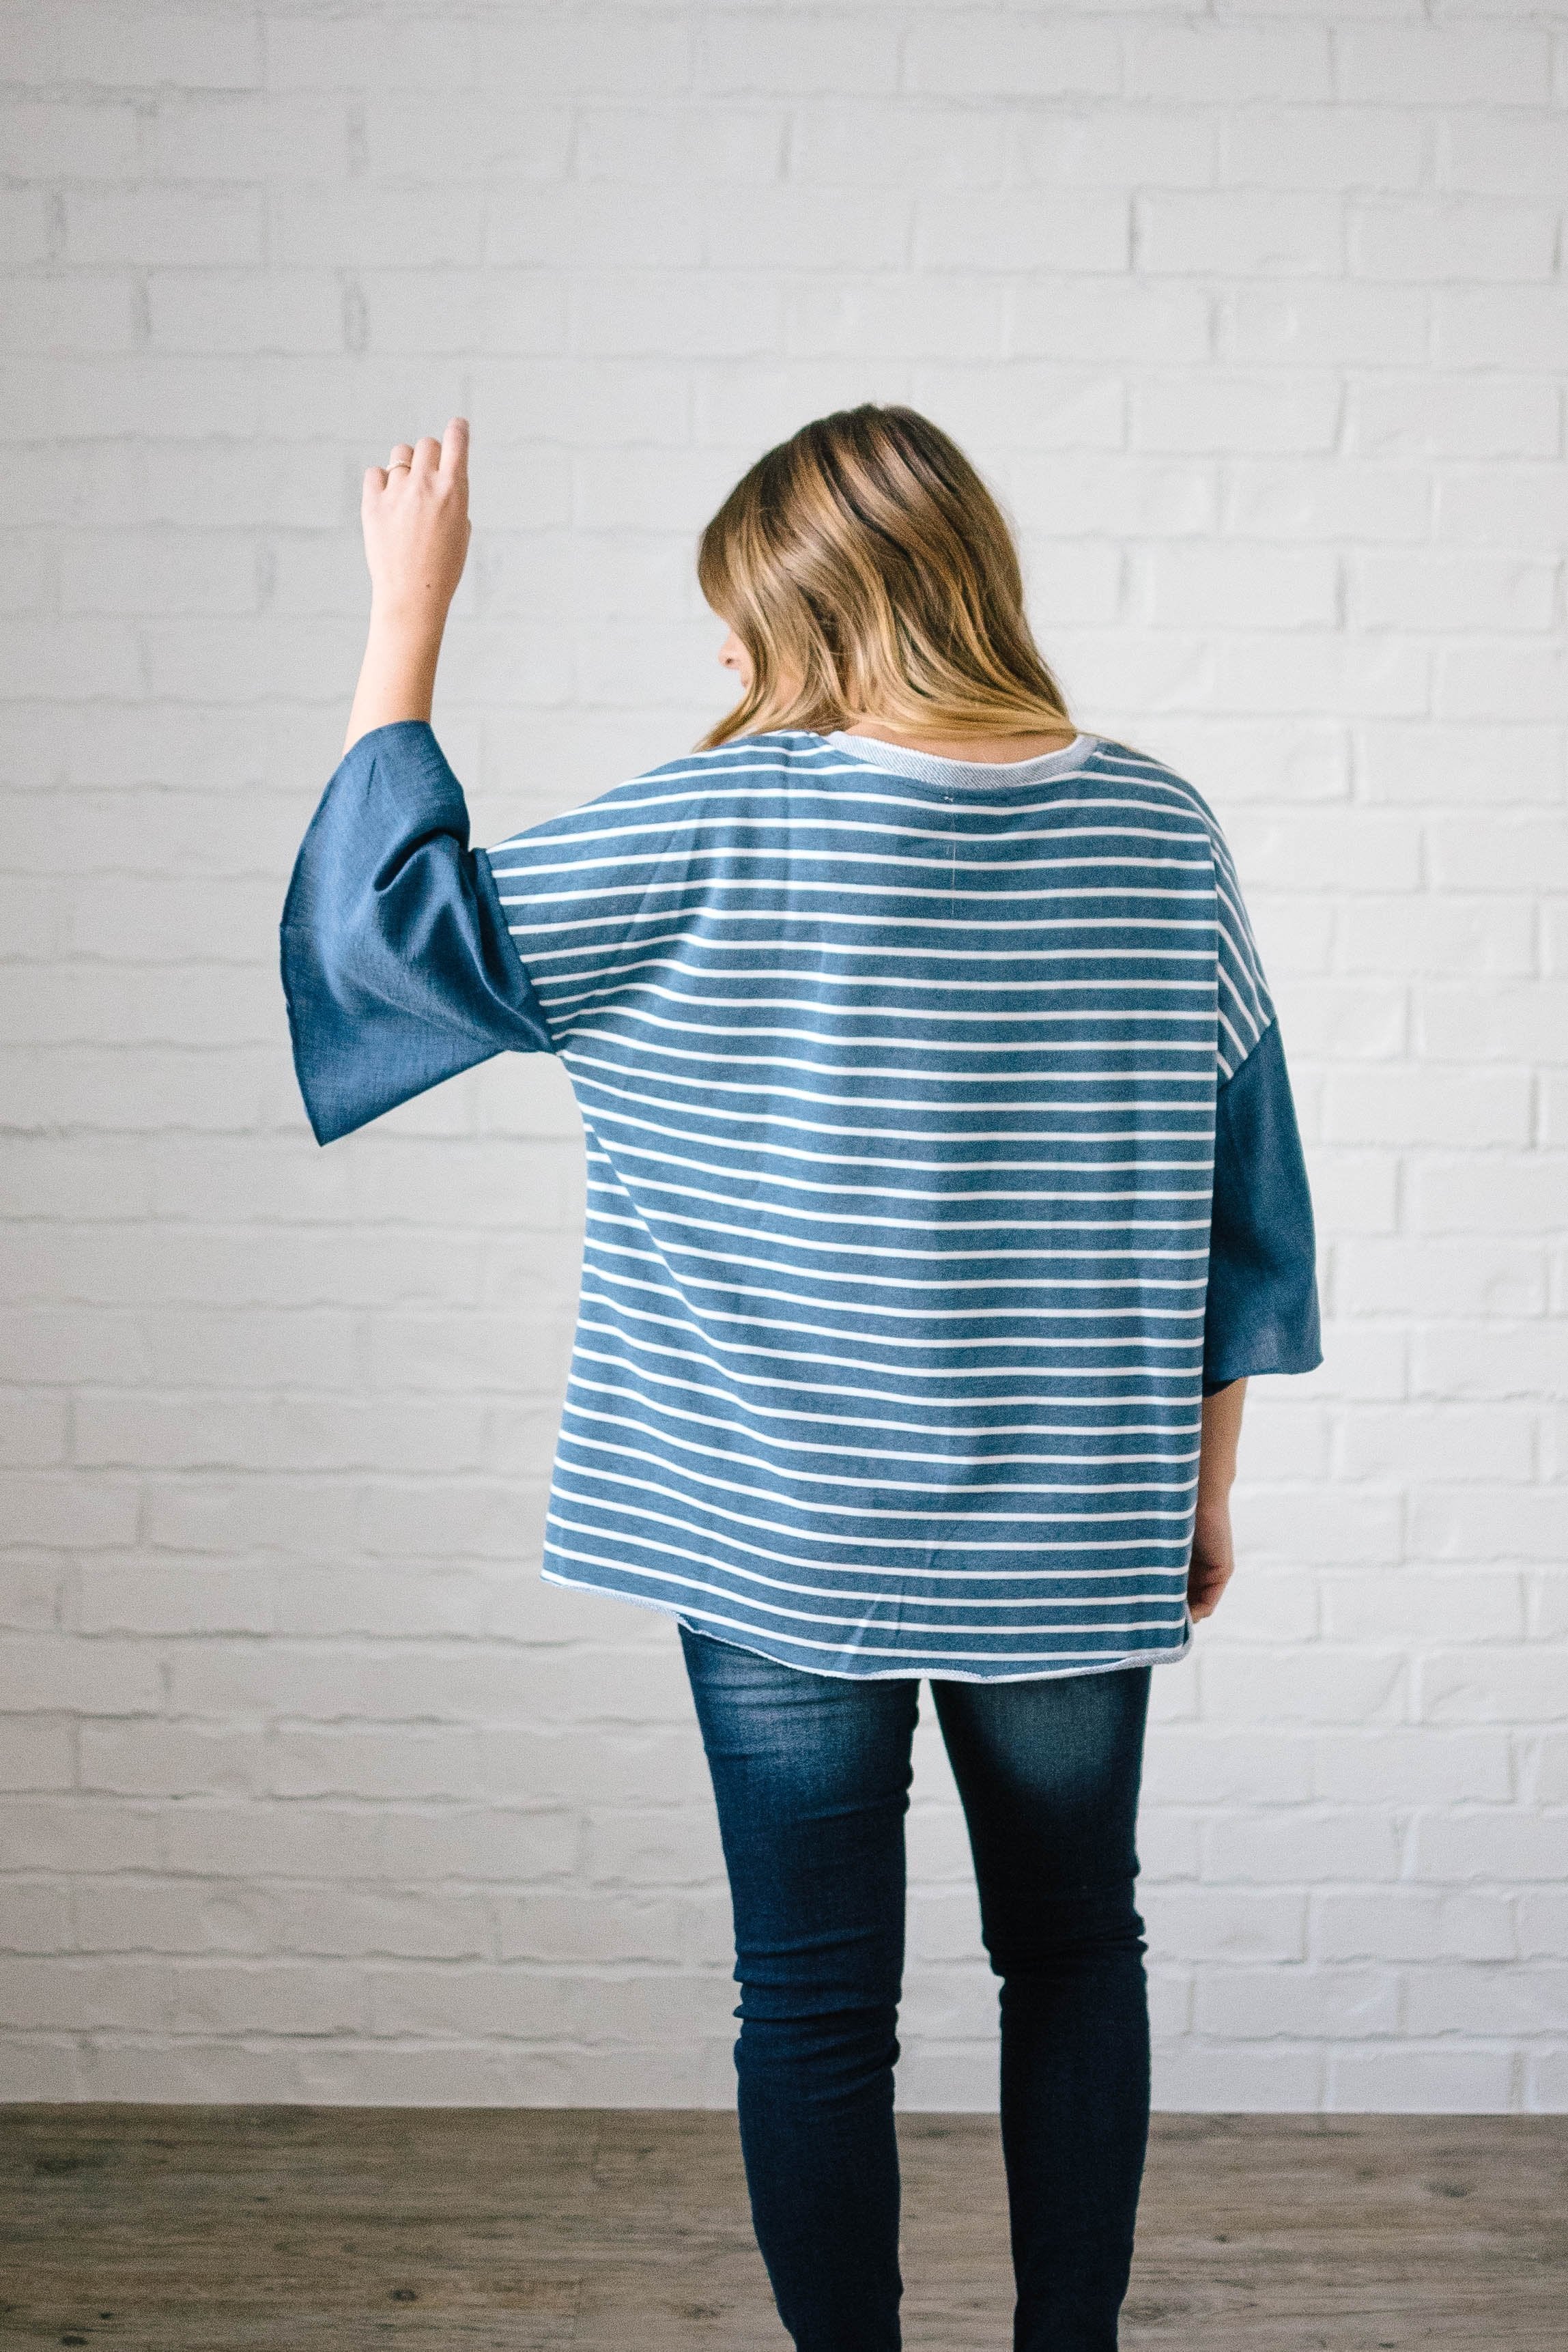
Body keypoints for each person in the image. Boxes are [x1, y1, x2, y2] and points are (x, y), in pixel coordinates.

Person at [281, 405, 1320, 2351]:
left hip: (773, 1525)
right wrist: (1202, 1481)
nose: (723, 665)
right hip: (1068, 1524)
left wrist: (405, 613)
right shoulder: (1152, 830)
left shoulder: (709, 823)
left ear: (798, 611)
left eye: (735, 624)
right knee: (1076, 1952)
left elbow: (386, 940)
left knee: (815, 1996)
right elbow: (1242, 1201)